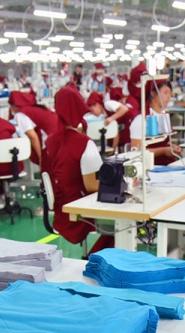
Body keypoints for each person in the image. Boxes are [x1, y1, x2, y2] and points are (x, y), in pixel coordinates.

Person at [42, 85, 112, 255]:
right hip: (80, 213)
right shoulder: (84, 144)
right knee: (123, 223)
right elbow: (92, 186)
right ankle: (97, 258)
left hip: (61, 211)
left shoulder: (49, 141)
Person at [129, 78, 183, 166]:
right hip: (150, 167)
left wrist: (171, 147)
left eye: (170, 93)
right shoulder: (140, 120)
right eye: (165, 92)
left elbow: (162, 142)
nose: (169, 96)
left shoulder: (163, 116)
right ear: (153, 94)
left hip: (166, 165)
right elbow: (136, 152)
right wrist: (164, 151)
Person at [8, 90, 59, 166]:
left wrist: (40, 158)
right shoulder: (35, 109)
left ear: (15, 105)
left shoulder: (21, 114)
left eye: (11, 106)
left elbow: (32, 136)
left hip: (50, 141)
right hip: (59, 137)